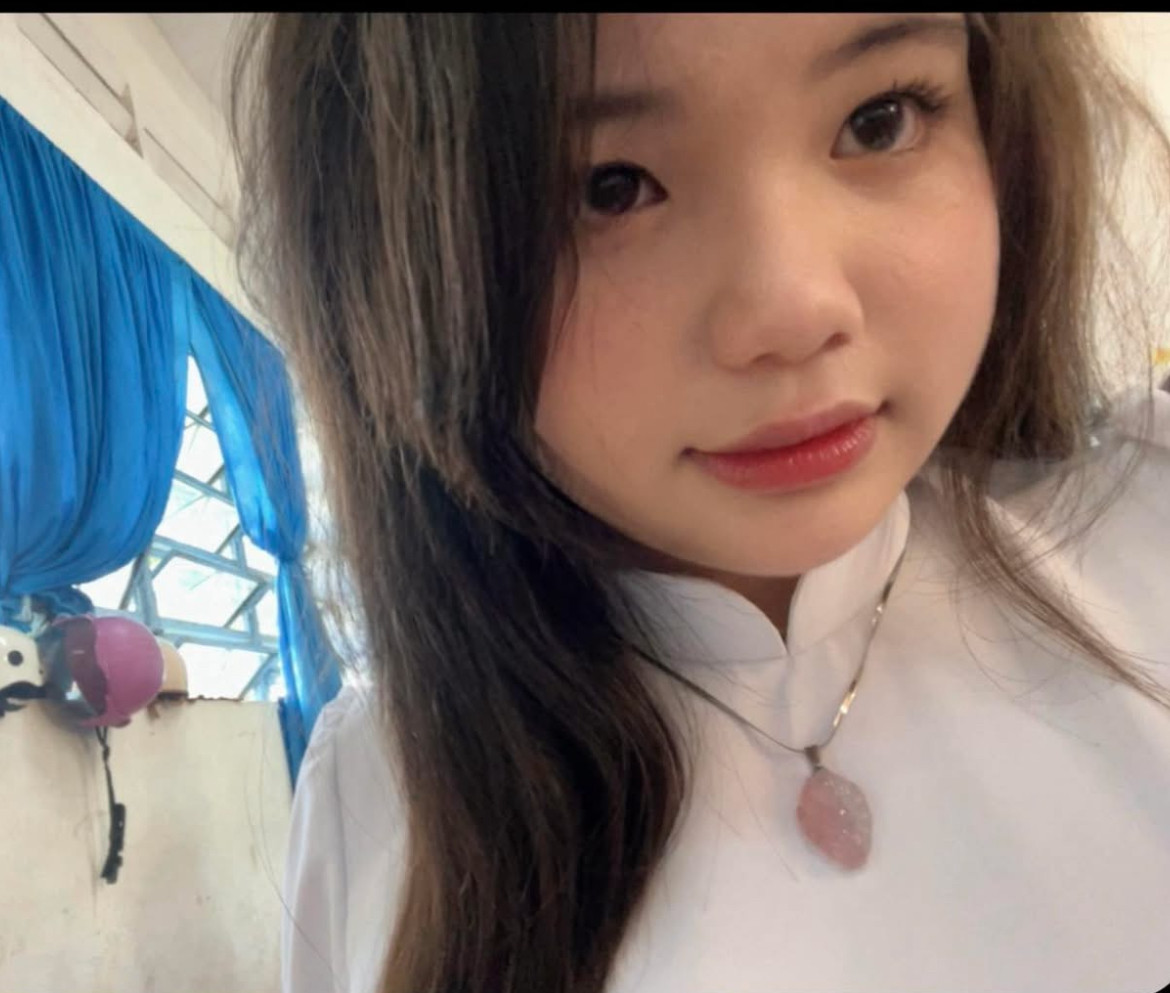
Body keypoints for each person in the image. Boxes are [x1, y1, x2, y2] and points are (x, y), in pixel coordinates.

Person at [230, 13, 1170, 993]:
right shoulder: (377, 798)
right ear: (400, 274)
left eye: (880, 120)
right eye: (609, 188)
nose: (795, 310)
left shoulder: (1149, 538)